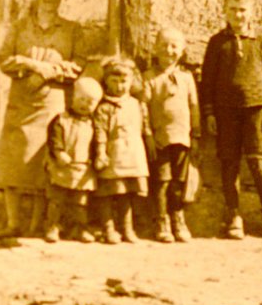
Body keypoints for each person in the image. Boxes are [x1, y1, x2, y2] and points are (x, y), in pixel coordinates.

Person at [0, 0, 83, 236]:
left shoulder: (71, 29)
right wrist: (30, 65)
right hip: (22, 100)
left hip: (52, 101)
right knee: (13, 161)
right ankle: (13, 224)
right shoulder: (20, 27)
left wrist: (50, 72)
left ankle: (38, 225)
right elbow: (5, 61)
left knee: (43, 164)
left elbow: (79, 64)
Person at [200, 0, 262, 239]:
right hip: (225, 112)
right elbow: (208, 82)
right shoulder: (217, 43)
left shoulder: (261, 41)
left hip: (255, 109)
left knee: (258, 161)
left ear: (252, 12)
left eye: (243, 9)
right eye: (233, 9)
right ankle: (234, 215)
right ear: (225, 11)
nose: (238, 14)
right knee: (229, 162)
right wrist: (210, 113)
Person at [144, 26, 201, 243]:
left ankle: (178, 218)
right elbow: (143, 108)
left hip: (182, 139)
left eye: (174, 46)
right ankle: (161, 220)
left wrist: (195, 135)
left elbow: (193, 106)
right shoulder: (149, 78)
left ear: (183, 49)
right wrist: (148, 135)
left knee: (179, 181)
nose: (169, 50)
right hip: (159, 140)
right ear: (155, 48)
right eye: (164, 45)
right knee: (161, 181)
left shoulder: (186, 79)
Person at [93, 57, 151, 243]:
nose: (119, 86)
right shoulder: (103, 107)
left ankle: (127, 228)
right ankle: (108, 228)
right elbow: (100, 132)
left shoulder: (135, 104)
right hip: (113, 154)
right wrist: (101, 152)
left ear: (131, 81)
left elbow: (144, 127)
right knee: (107, 192)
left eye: (124, 81)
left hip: (132, 154)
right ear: (106, 82)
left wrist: (149, 142)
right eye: (114, 81)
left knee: (127, 192)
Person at [45, 76, 103, 243]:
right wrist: (59, 152)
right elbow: (53, 139)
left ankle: (80, 228)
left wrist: (98, 157)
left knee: (81, 202)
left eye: (90, 102)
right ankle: (53, 226)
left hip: (83, 169)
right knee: (57, 199)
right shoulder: (61, 119)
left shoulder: (94, 124)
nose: (85, 105)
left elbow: (96, 143)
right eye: (81, 99)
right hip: (62, 166)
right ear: (73, 98)